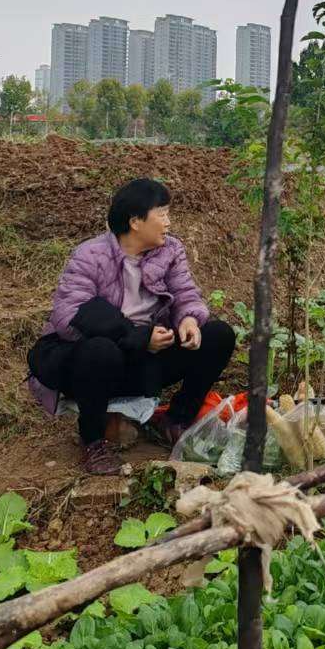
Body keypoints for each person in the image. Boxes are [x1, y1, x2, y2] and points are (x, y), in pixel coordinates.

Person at [27, 177, 237, 475]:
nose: (168, 221)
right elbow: (69, 315)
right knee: (100, 350)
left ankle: (176, 420)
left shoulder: (170, 251)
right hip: (93, 366)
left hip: (143, 362)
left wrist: (189, 319)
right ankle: (93, 441)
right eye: (161, 213)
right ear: (136, 221)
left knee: (218, 335)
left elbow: (185, 294)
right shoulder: (91, 255)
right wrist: (138, 337)